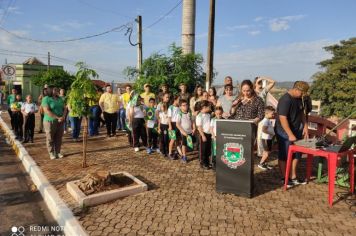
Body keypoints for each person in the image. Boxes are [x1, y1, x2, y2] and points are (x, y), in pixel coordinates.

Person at [275, 81, 309, 187]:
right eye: (302, 93)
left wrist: (306, 127)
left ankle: (293, 176)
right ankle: (284, 177)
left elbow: (302, 113)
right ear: (296, 89)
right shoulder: (285, 100)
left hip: (296, 130)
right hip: (284, 131)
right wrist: (290, 134)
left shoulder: (299, 99)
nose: (303, 95)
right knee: (284, 154)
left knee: (297, 154)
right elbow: (282, 118)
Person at [42, 87, 67, 159]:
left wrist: (63, 116)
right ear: (50, 90)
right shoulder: (46, 99)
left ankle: (58, 152)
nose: (56, 91)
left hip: (60, 121)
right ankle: (51, 153)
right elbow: (46, 110)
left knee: (59, 137)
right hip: (50, 121)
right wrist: (57, 117)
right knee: (50, 137)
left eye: (57, 90)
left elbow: (65, 108)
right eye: (54, 89)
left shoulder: (60, 99)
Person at [176, 99, 195, 163]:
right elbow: (177, 124)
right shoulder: (179, 114)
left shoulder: (189, 113)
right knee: (184, 144)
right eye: (183, 105)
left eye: (186, 105)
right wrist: (183, 132)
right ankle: (184, 156)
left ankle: (179, 149)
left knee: (188, 144)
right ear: (180, 107)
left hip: (190, 131)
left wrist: (194, 128)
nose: (185, 106)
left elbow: (192, 122)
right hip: (183, 133)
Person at [257, 106, 276, 170]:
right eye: (272, 114)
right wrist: (272, 133)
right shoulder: (265, 121)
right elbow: (264, 130)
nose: (273, 115)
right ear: (266, 113)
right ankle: (261, 164)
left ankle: (264, 163)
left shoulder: (268, 120)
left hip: (268, 139)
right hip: (266, 139)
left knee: (267, 152)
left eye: (273, 114)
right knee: (266, 153)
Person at [196, 100, 212, 169]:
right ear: (204, 107)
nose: (210, 108)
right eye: (209, 107)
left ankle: (207, 162)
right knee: (203, 149)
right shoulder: (199, 116)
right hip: (203, 134)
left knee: (208, 149)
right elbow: (199, 127)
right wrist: (203, 135)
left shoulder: (208, 115)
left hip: (208, 134)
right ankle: (202, 162)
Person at [168, 95, 181, 159]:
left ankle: (176, 152)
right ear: (175, 100)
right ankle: (170, 153)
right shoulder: (170, 107)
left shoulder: (179, 107)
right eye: (178, 99)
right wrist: (170, 126)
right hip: (173, 125)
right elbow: (169, 118)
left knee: (177, 139)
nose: (179, 101)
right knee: (172, 140)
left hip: (178, 124)